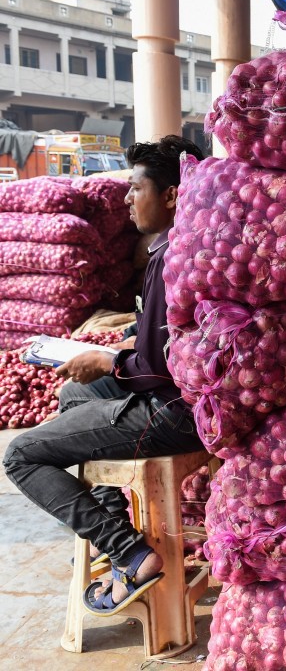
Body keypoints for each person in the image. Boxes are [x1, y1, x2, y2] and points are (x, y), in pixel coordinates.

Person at [3, 135, 206, 616]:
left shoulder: (171, 256)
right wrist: (120, 348)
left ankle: (130, 554)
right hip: (188, 398)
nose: (126, 199)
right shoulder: (185, 246)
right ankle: (118, 532)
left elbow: (159, 367)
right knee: (76, 392)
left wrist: (111, 361)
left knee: (20, 455)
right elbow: (166, 338)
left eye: (136, 189)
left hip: (174, 410)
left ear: (172, 194)